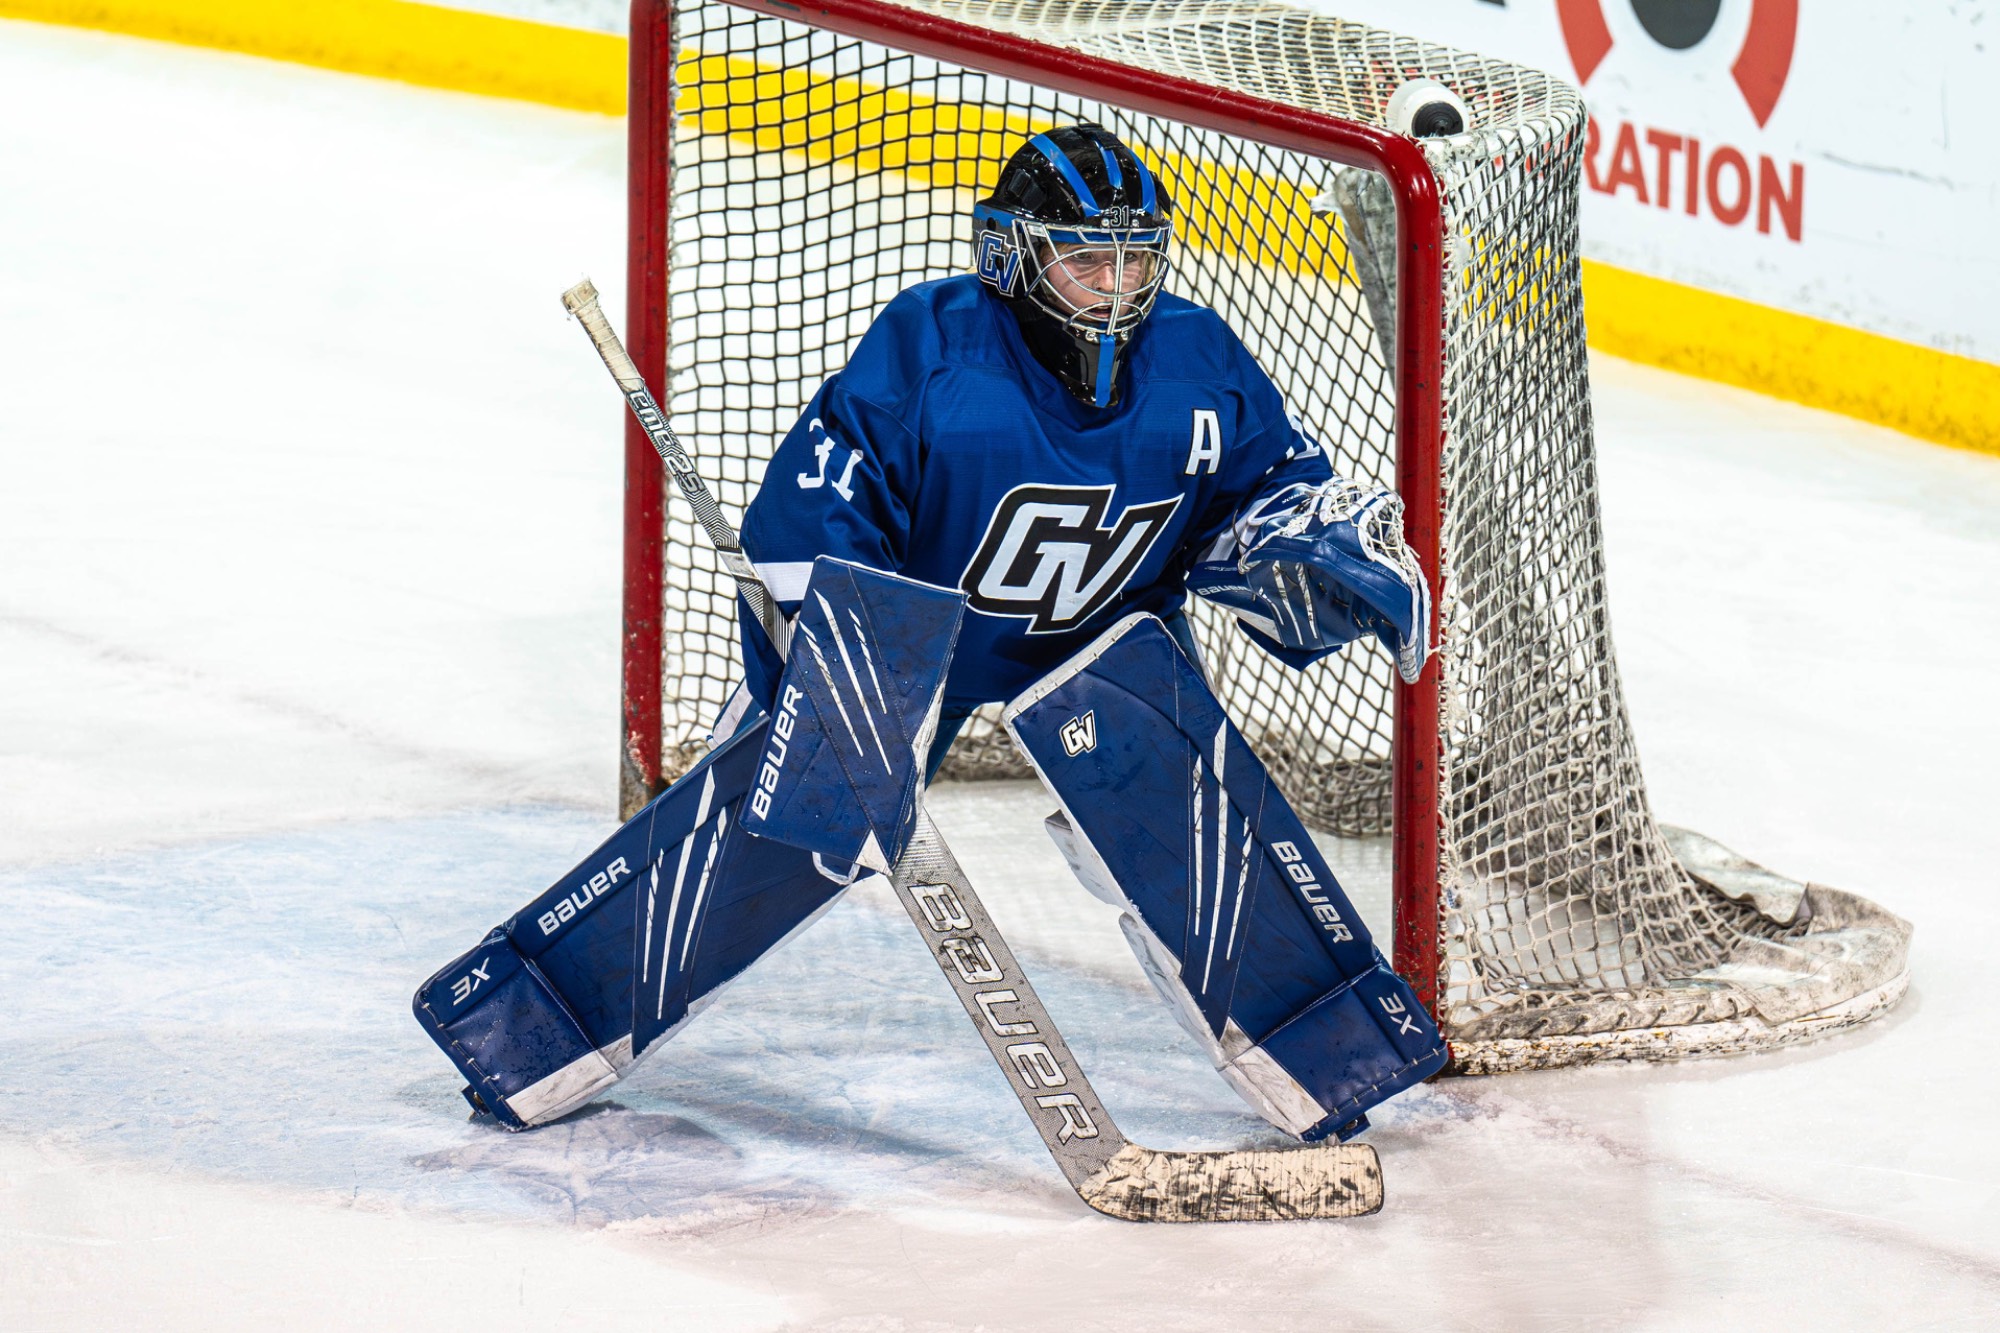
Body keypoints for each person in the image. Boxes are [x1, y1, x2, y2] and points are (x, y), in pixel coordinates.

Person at [726, 123, 1428, 776]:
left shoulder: (1199, 362)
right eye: (1086, 259)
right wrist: (843, 653)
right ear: (1010, 254)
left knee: (1196, 843)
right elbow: (814, 510)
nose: (1115, 289)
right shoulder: (937, 351)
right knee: (780, 835)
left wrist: (1307, 547)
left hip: (1108, 655)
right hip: (908, 658)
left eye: (1136, 261)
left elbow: (1258, 494)